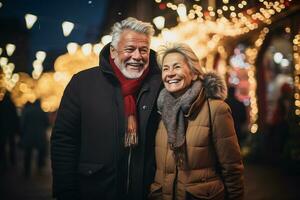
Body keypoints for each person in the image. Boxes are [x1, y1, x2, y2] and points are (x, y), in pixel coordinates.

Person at [51, 17, 162, 200]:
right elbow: (64, 141)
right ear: (113, 51)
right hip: (94, 190)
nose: (137, 56)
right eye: (129, 49)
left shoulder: (160, 85)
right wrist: (66, 192)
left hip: (147, 192)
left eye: (144, 50)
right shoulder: (82, 84)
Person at [149, 43, 244, 200]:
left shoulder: (216, 109)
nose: (170, 73)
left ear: (193, 73)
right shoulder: (160, 111)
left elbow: (232, 169)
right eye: (166, 69)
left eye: (177, 67)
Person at [20, 100, 49, 177]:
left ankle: (27, 171)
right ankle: (39, 168)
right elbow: (47, 123)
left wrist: (22, 134)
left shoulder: (27, 111)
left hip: (29, 135)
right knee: (40, 153)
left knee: (28, 153)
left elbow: (22, 124)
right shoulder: (42, 112)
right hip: (40, 136)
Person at [0, 92, 19, 171]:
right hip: (10, 129)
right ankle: (12, 160)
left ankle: (4, 162)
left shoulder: (1, 104)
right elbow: (15, 118)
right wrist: (16, 129)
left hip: (3, 128)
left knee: (2, 146)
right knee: (12, 145)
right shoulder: (12, 104)